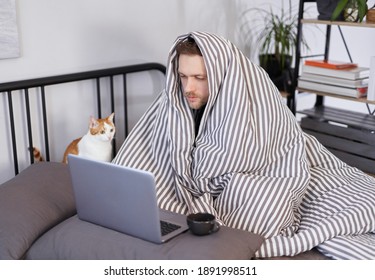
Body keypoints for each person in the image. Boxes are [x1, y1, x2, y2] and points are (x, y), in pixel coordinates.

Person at [113, 31, 375, 259]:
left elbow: (271, 151)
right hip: (211, 185)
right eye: (182, 76)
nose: (188, 87)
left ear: (220, 75)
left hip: (266, 168)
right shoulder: (173, 98)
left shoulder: (250, 94)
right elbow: (149, 150)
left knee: (265, 200)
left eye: (199, 77)